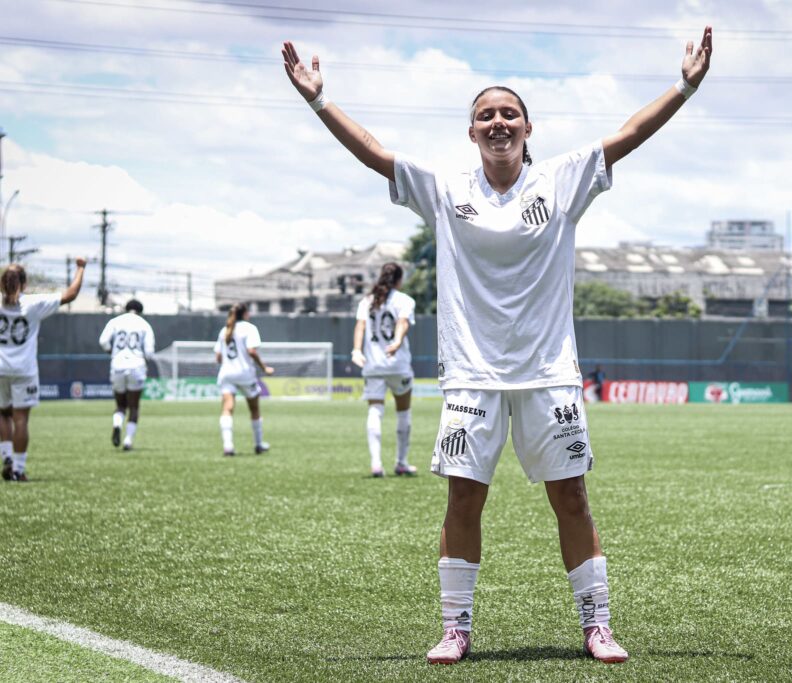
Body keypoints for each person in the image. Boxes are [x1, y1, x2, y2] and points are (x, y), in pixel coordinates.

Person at [283, 23, 712, 665]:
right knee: (463, 498)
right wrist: (318, 101)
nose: (498, 122)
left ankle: (597, 625)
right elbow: (375, 153)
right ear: (473, 131)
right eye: (486, 115)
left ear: (528, 128)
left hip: (549, 375)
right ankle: (456, 629)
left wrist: (683, 86)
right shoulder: (447, 190)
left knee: (571, 497)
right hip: (471, 378)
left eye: (509, 113)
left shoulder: (563, 181)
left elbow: (627, 135)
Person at [0, 259, 87, 482]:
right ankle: (18, 469)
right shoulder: (33, 304)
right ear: (25, 283)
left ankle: (6, 456)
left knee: (2, 414)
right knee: (20, 419)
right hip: (24, 370)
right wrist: (80, 268)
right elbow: (70, 294)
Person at [351, 262, 417, 477]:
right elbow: (403, 323)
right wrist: (397, 342)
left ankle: (376, 464)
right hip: (397, 364)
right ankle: (401, 462)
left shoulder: (366, 301)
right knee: (403, 412)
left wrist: (356, 350)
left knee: (375, 411)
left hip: (373, 365)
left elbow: (360, 326)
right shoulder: (404, 300)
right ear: (399, 279)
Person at [214, 303, 274, 456]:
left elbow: (218, 357)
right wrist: (264, 367)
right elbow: (252, 351)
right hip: (245, 373)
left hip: (227, 373)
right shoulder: (249, 328)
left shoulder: (225, 330)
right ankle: (258, 444)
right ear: (246, 313)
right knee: (254, 409)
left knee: (227, 408)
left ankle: (228, 446)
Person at [99, 299, 155, 451]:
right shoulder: (144, 325)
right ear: (140, 311)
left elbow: (103, 341)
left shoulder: (115, 321)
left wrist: (113, 352)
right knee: (134, 406)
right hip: (136, 365)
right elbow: (149, 352)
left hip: (117, 364)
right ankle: (128, 441)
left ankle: (117, 424)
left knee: (120, 405)